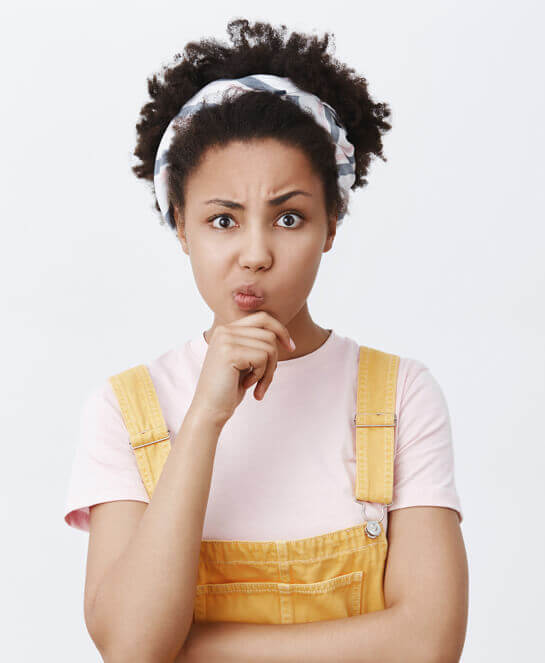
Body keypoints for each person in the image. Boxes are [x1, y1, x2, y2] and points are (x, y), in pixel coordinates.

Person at [63, 18, 468, 662]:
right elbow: (132, 648)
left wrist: (189, 652)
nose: (255, 253)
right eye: (223, 220)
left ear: (331, 224)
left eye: (289, 217)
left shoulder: (400, 396)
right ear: (180, 226)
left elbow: (427, 645)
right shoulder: (125, 409)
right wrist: (204, 416)